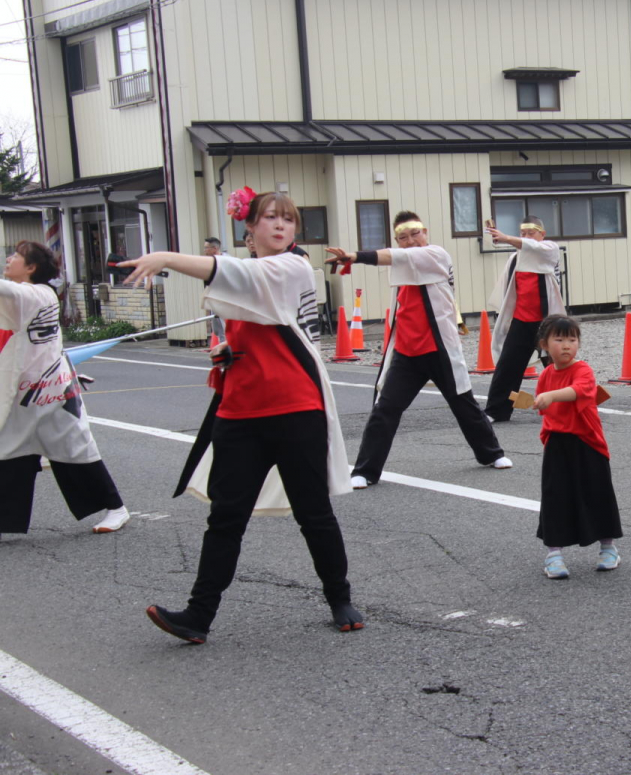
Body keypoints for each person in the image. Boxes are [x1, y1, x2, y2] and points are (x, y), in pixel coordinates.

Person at [120, 189, 362, 643]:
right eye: (269, 217)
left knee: (314, 513)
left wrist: (166, 256)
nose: (280, 226)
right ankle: (198, 615)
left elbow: (238, 275)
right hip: (240, 411)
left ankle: (339, 596)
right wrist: (230, 349)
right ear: (249, 229)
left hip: (295, 407)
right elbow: (253, 311)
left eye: (288, 219)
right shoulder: (244, 275)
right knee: (226, 518)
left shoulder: (291, 266)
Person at [325, 211, 512, 491]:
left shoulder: (435, 255)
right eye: (403, 237)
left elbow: (399, 257)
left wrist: (355, 256)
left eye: (415, 234)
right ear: (397, 241)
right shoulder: (400, 268)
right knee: (385, 409)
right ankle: (366, 469)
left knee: (463, 403)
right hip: (407, 352)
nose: (411, 241)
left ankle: (491, 453)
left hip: (439, 347)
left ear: (425, 233)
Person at [0, 240, 130, 537]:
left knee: (72, 449)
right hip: (30, 390)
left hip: (47, 391)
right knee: (11, 450)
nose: (9, 259)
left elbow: (8, 292)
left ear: (31, 267)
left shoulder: (36, 294)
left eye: (16, 256)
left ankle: (116, 508)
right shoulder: (31, 296)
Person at [531, 315, 621, 579]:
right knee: (555, 497)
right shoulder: (546, 374)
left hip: (587, 441)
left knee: (598, 493)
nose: (567, 345)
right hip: (557, 443)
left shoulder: (583, 370)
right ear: (544, 344)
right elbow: (544, 409)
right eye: (559, 339)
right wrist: (541, 400)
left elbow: (579, 391)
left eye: (572, 339)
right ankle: (554, 555)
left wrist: (549, 396)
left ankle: (609, 548)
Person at [483, 216, 565, 422]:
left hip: (547, 321)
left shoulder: (549, 250)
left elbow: (533, 249)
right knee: (507, 366)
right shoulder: (515, 258)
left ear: (542, 235)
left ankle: (571, 405)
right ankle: (496, 411)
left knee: (560, 364)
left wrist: (507, 238)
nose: (527, 237)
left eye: (532, 232)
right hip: (521, 320)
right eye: (524, 233)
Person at [202, 238, 226, 343]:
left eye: (206, 248)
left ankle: (227, 351)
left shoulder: (226, 261)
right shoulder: (208, 263)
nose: (204, 250)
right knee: (217, 330)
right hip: (214, 300)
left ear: (214, 248)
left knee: (225, 330)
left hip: (225, 300)